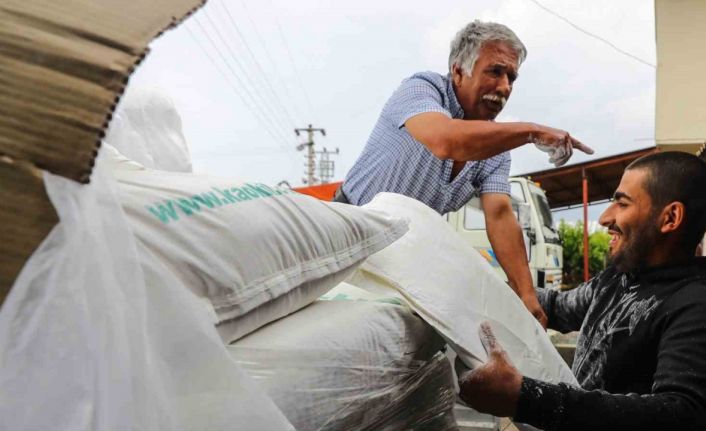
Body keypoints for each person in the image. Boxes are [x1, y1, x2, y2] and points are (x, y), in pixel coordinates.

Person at [336, 21, 594, 326]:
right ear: (458, 71)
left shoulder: (496, 149)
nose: (505, 87)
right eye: (495, 72)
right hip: (348, 232)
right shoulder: (422, 89)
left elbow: (499, 215)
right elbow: (447, 141)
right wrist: (532, 131)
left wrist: (526, 294)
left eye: (511, 77)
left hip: (404, 254)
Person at [457, 151, 706, 430]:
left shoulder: (694, 304)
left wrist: (525, 398)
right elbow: (555, 307)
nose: (604, 218)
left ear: (670, 217)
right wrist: (477, 286)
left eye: (622, 204)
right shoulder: (617, 279)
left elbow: (681, 413)